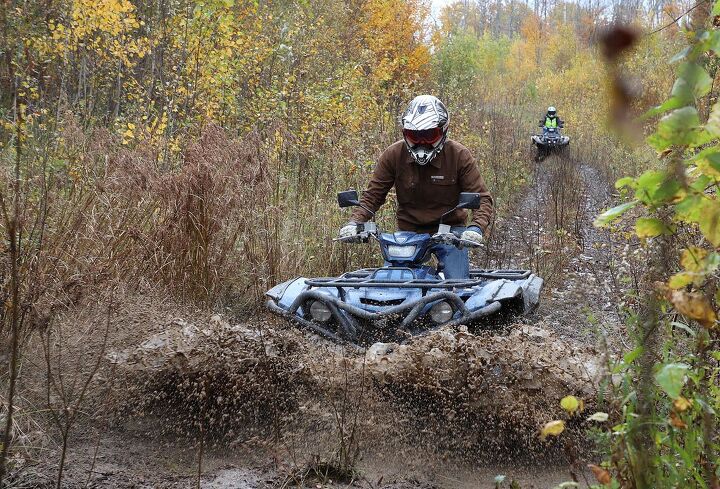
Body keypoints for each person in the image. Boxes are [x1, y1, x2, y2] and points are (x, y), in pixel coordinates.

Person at [338, 95, 493, 279]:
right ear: (405, 133)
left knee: (457, 285)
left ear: (443, 131)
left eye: (429, 135)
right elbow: (373, 196)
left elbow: (482, 198)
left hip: (450, 232)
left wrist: (475, 228)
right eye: (414, 135)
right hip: (408, 233)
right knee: (391, 283)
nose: (421, 142)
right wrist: (355, 222)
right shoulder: (393, 155)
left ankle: (457, 304)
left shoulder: (459, 155)